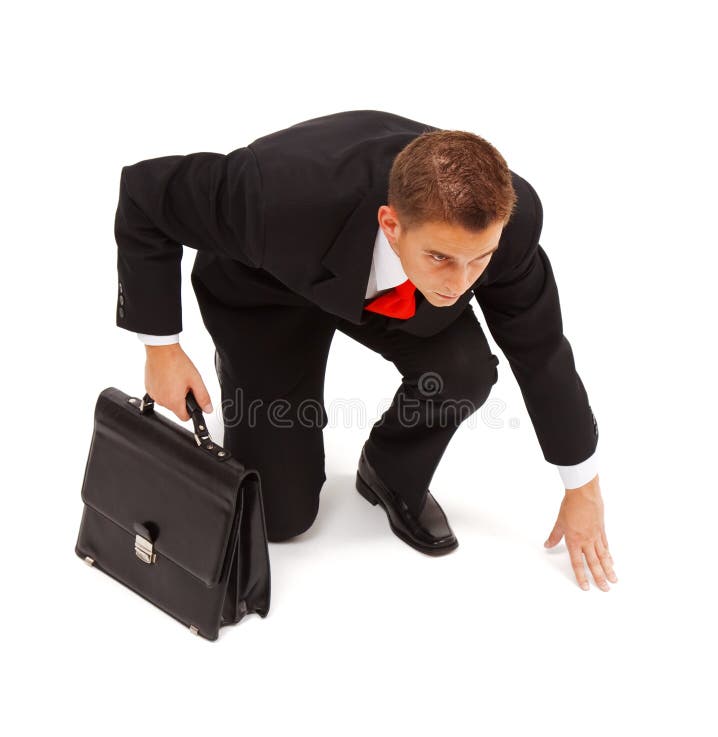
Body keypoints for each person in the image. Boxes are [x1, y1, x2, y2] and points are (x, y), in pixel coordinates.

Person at [113, 109, 616, 591]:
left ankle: (389, 471)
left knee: (464, 371)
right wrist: (161, 349)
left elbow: (541, 349)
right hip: (267, 287)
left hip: (394, 293)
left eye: (478, 260)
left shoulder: (509, 226)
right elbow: (144, 195)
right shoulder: (272, 193)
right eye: (441, 257)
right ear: (391, 225)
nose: (459, 284)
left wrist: (582, 485)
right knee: (281, 518)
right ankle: (252, 384)